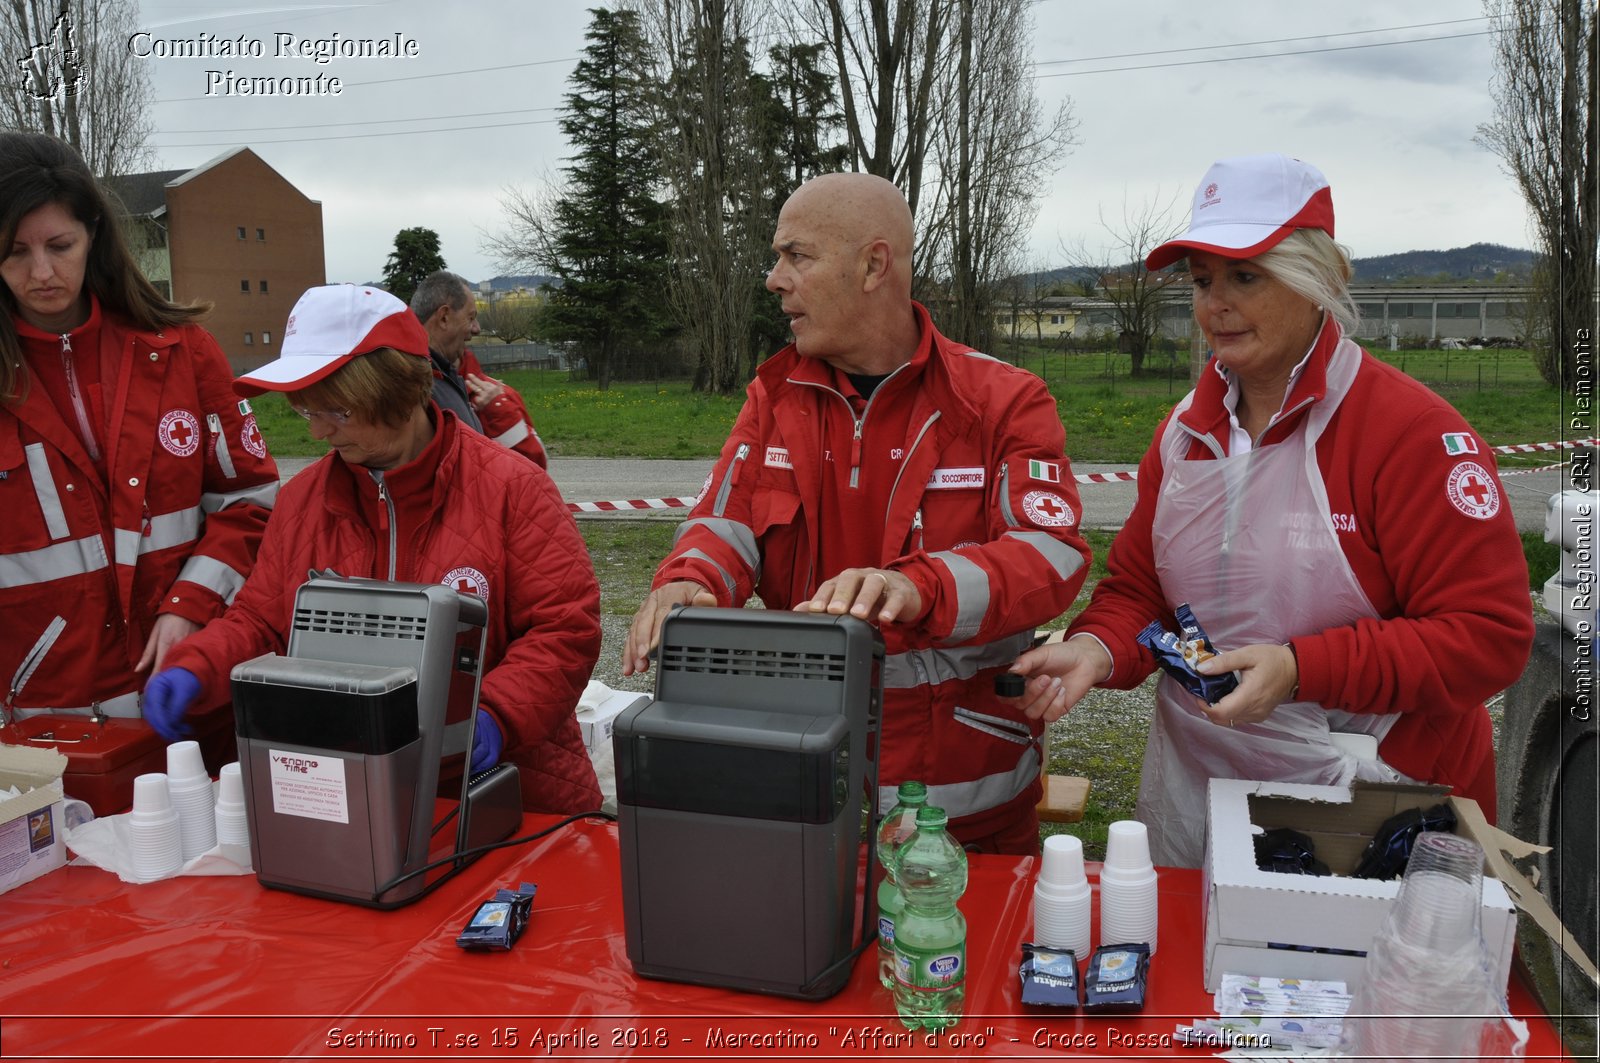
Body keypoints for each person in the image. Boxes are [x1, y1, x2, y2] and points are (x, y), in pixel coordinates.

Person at [1008, 154, 1535, 868]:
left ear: (1321, 281)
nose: (1213, 303)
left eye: (1244, 276)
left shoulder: (1409, 436)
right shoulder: (1185, 434)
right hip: (1202, 790)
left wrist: (1299, 666)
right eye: (1201, 281)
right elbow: (1143, 591)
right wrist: (1096, 647)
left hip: (1378, 802)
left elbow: (1488, 636)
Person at [623, 173, 1092, 854]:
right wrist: (691, 577)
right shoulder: (776, 393)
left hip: (966, 814)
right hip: (813, 782)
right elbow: (725, 517)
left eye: (796, 256)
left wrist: (918, 585)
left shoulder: (1001, 398)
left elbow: (1052, 555)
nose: (774, 280)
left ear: (874, 265)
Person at [144, 284, 601, 813]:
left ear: (397, 392)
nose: (316, 431)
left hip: (506, 791)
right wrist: (197, 666)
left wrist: (499, 712)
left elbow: (565, 628)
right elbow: (263, 622)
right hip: (357, 793)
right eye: (304, 411)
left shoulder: (513, 490)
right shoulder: (301, 502)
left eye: (334, 410)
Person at [0, 130, 277, 729]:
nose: (41, 271)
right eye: (14, 252)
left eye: (59, 244)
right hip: (40, 730)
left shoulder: (182, 350)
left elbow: (250, 503)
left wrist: (193, 605)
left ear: (94, 234)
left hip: (185, 698)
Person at [410, 270, 547, 467]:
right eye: (471, 317)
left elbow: (536, 466)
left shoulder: (494, 394)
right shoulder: (406, 385)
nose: (477, 328)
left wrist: (499, 414)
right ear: (444, 317)